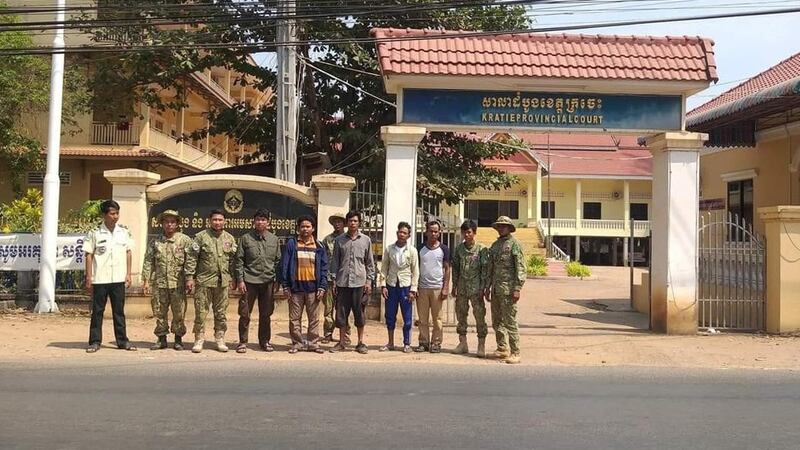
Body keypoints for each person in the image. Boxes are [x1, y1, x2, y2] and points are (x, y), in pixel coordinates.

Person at [84, 199, 136, 353]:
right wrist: (89, 277)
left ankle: (122, 341)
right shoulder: (94, 232)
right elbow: (89, 255)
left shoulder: (124, 231)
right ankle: (94, 341)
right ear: (104, 215)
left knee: (119, 312)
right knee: (97, 311)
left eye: (117, 213)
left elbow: (128, 252)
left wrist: (128, 274)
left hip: (118, 278)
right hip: (100, 278)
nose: (115, 216)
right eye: (112, 213)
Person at [185, 209, 237, 353]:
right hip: (204, 281)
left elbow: (232, 261)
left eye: (220, 220)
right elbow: (192, 258)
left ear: (225, 221)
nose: (217, 222)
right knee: (201, 312)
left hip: (223, 282)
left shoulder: (229, 239)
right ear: (209, 220)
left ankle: (219, 338)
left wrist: (233, 278)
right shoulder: (201, 237)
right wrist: (189, 277)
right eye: (215, 220)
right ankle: (199, 339)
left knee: (221, 313)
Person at [142, 210, 193, 351]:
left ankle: (178, 339)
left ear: (177, 224)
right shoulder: (156, 242)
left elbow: (190, 262)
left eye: (172, 222)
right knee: (159, 312)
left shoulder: (185, 241)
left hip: (178, 283)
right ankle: (161, 339)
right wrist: (146, 280)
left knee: (179, 312)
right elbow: (148, 261)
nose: (169, 225)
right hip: (160, 283)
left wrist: (190, 278)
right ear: (162, 224)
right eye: (166, 222)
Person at [233, 209, 281, 354]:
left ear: (268, 222)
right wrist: (240, 280)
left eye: (263, 219)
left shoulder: (274, 239)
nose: (261, 222)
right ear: (254, 221)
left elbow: (278, 261)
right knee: (245, 313)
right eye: (258, 219)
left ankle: (264, 341)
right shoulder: (245, 239)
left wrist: (277, 281)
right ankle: (242, 342)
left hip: (268, 281)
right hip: (249, 281)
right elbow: (239, 261)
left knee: (266, 314)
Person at [280, 215, 328, 354]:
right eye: (302, 226)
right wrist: (285, 285)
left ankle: (313, 344)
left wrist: (322, 286)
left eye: (308, 226)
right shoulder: (292, 244)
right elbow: (285, 265)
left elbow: (324, 267)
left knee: (314, 318)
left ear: (313, 228)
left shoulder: (319, 246)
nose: (305, 229)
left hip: (313, 288)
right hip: (295, 288)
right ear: (298, 228)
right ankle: (297, 343)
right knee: (294, 318)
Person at [329, 210, 375, 354]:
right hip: (343, 283)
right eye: (350, 221)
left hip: (359, 284)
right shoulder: (339, 240)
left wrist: (369, 282)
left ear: (359, 223)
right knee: (341, 314)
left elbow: (370, 263)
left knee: (359, 314)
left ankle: (360, 343)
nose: (353, 223)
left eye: (355, 221)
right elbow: (335, 262)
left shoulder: (366, 240)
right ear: (346, 223)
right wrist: (334, 281)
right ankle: (341, 342)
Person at [485, 216, 526, 365]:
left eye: (504, 226)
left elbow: (520, 267)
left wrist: (517, 288)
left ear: (509, 228)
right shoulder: (495, 245)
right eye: (499, 226)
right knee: (497, 321)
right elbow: (491, 267)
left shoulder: (514, 245)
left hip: (508, 290)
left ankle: (515, 352)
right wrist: (488, 287)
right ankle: (502, 348)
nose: (501, 228)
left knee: (510, 321)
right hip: (496, 289)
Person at [451, 219, 489, 358]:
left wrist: (484, 288)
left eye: (469, 232)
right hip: (462, 288)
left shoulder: (481, 250)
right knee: (461, 315)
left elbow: (485, 270)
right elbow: (455, 268)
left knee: (479, 316)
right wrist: (454, 285)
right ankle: (463, 343)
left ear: (474, 233)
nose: (466, 235)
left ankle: (481, 344)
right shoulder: (459, 250)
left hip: (476, 289)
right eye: (464, 232)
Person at [380, 221, 419, 353]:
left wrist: (413, 289)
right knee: (390, 315)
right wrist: (383, 285)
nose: (401, 234)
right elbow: (384, 268)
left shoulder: (412, 251)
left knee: (407, 317)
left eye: (404, 233)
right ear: (397, 233)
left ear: (408, 236)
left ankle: (406, 343)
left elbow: (415, 271)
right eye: (400, 232)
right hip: (391, 286)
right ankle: (390, 342)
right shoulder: (389, 249)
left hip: (406, 286)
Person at [415, 220, 451, 354]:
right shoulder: (419, 249)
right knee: (423, 318)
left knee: (438, 319)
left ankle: (436, 343)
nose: (433, 234)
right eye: (431, 231)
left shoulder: (444, 249)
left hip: (437, 288)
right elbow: (415, 268)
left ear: (439, 233)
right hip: (422, 288)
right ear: (426, 232)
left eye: (436, 231)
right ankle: (423, 342)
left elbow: (447, 269)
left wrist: (445, 287)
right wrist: (415, 287)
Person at [321, 212, 348, 344]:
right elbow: (323, 259)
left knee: (343, 308)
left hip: (344, 279)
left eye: (340, 222)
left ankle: (345, 334)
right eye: (335, 222)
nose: (337, 224)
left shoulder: (348, 239)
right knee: (328, 308)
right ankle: (328, 333)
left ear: (344, 224)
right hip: (329, 279)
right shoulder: (327, 240)